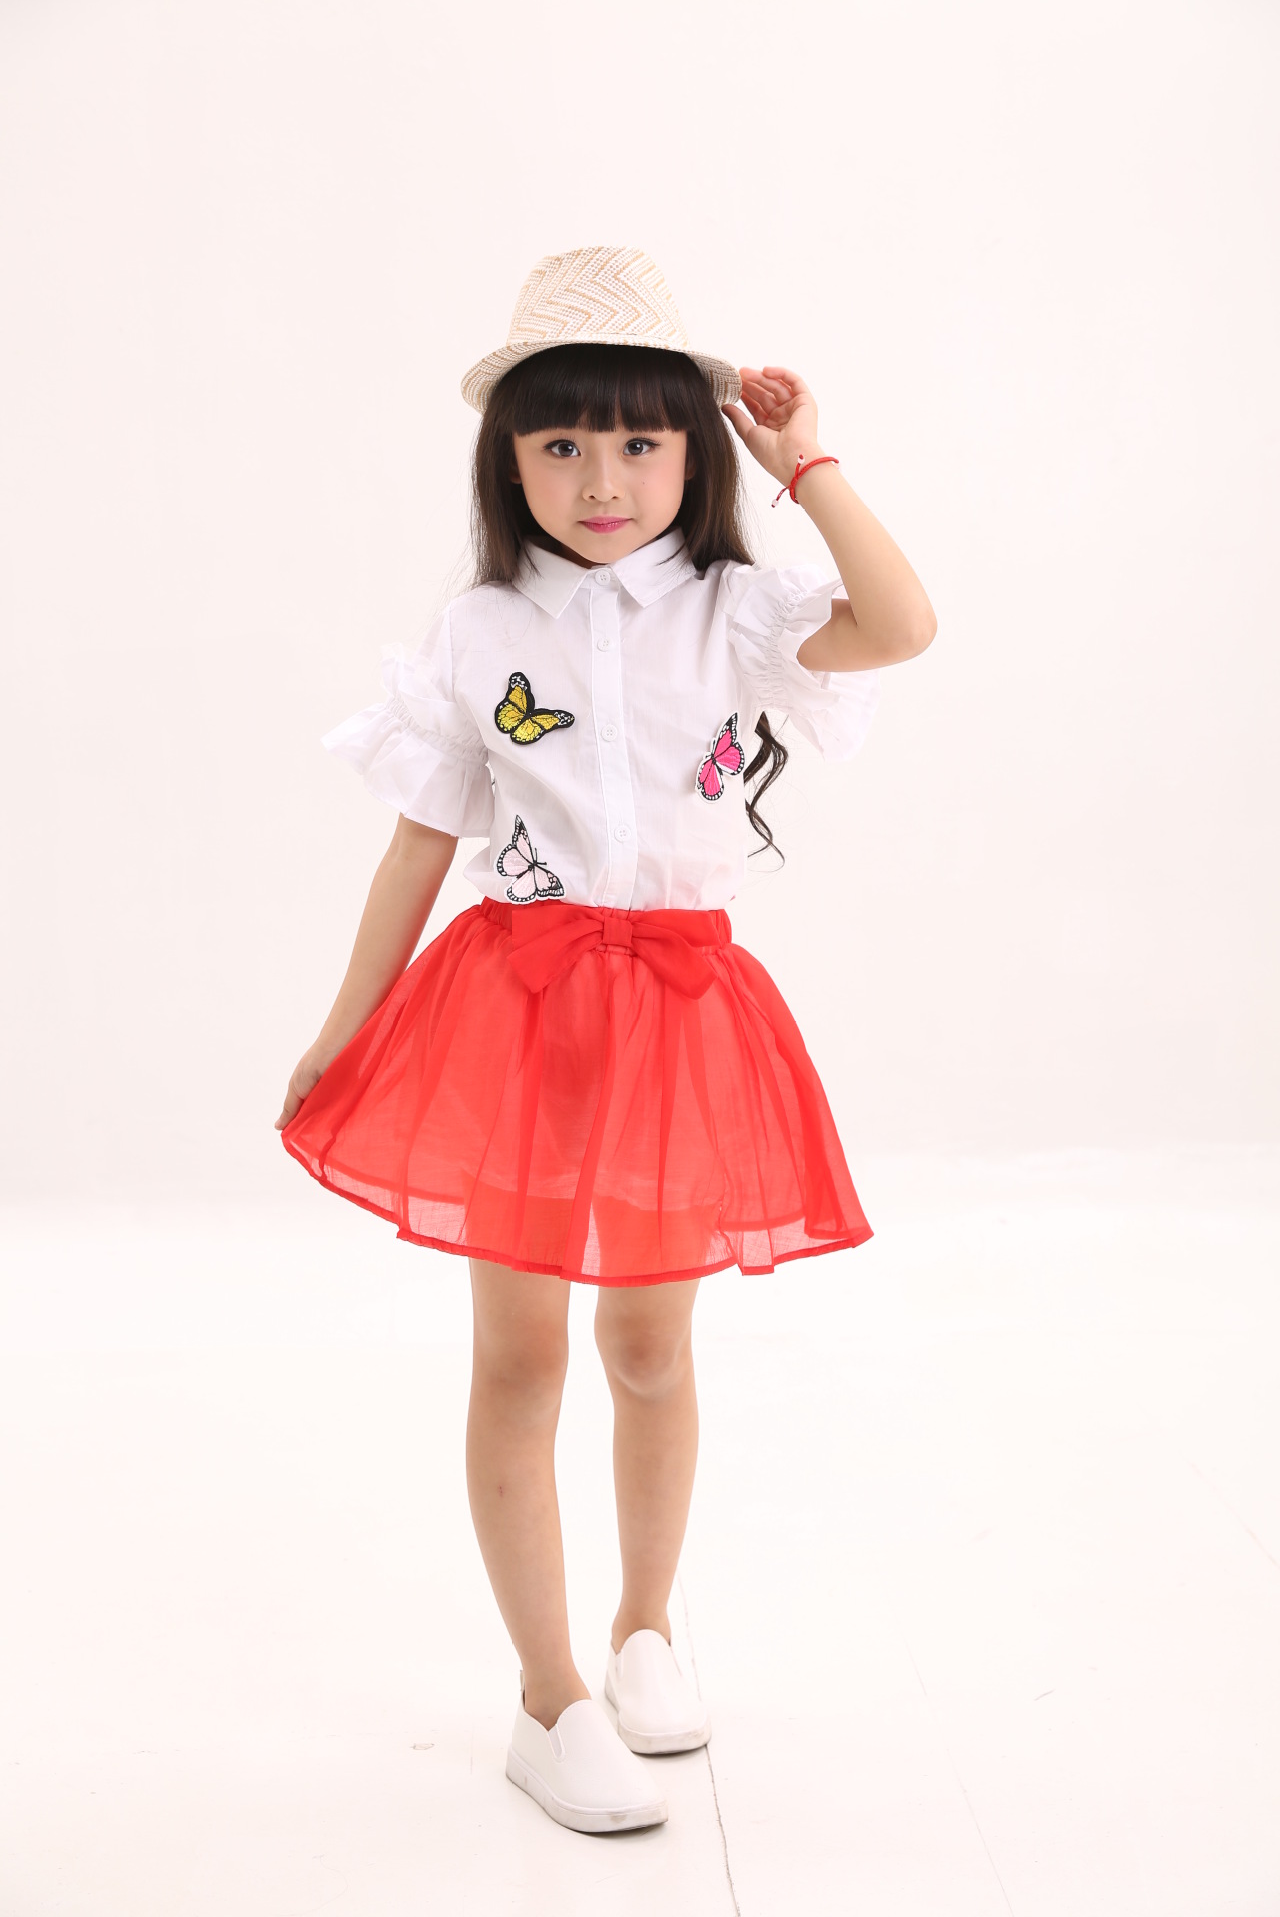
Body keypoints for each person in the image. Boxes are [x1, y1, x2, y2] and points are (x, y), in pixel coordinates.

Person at [275, 244, 936, 1836]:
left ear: (696, 452)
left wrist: (808, 462)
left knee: (650, 1351)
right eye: (561, 443)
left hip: (680, 1017)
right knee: (521, 1358)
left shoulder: (741, 611)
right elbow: (417, 850)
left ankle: (646, 1633)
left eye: (641, 441)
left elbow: (904, 625)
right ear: (507, 460)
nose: (601, 479)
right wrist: (341, 1029)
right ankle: (547, 1693)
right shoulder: (479, 629)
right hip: (518, 1014)